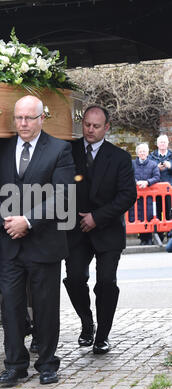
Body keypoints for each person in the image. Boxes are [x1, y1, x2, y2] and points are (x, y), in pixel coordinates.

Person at [0, 95, 75, 387]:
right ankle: (15, 365)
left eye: (29, 118)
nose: (23, 123)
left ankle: (47, 364)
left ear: (41, 118)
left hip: (44, 243)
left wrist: (29, 221)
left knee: (46, 307)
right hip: (8, 243)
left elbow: (62, 195)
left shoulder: (60, 149)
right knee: (11, 308)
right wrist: (6, 222)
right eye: (19, 118)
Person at [64, 105, 137, 354]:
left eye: (96, 126)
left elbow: (128, 195)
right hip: (74, 230)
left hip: (107, 230)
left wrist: (97, 217)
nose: (90, 130)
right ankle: (87, 323)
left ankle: (102, 335)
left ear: (107, 127)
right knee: (74, 279)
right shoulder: (68, 151)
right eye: (86, 124)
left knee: (106, 282)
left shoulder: (120, 157)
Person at [128, 143, 160, 245]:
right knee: (138, 216)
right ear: (137, 153)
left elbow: (157, 177)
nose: (142, 153)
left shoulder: (153, 164)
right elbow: (128, 175)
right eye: (140, 151)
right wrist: (136, 182)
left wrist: (147, 182)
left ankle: (149, 238)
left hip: (149, 196)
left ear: (147, 153)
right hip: (136, 196)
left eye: (144, 151)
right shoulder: (132, 164)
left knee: (149, 215)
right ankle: (142, 239)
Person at [149, 134, 172, 226]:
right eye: (161, 142)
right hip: (155, 188)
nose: (162, 144)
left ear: (168, 144)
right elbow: (147, 169)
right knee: (157, 211)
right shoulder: (151, 156)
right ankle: (159, 234)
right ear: (157, 144)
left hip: (169, 189)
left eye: (164, 142)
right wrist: (156, 167)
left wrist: (170, 166)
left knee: (169, 212)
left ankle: (170, 234)